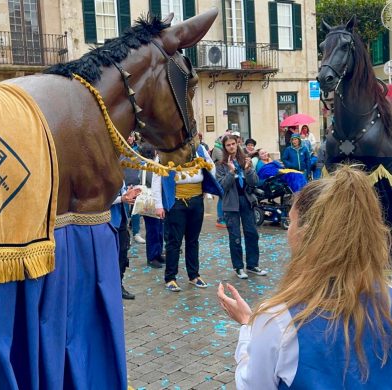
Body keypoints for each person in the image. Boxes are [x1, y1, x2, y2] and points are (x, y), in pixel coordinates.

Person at [217, 166, 392, 389]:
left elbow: (252, 383)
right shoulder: (387, 299)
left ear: (305, 234)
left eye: (291, 222)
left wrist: (248, 327)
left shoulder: (279, 321)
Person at [152, 144, 215, 292]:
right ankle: (170, 277)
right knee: (174, 241)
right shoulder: (165, 151)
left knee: (193, 240)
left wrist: (206, 188)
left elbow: (211, 166)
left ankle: (194, 275)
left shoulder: (199, 149)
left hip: (197, 200)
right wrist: (159, 205)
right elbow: (157, 178)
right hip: (176, 201)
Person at [216, 135, 267, 279]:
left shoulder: (244, 160)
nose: (231, 147)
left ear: (237, 144)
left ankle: (252, 265)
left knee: (251, 233)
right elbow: (222, 187)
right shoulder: (221, 165)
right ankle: (238, 267)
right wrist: (231, 172)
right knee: (235, 237)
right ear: (224, 147)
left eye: (233, 144)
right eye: (228, 145)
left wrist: (248, 169)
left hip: (246, 200)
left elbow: (254, 182)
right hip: (231, 204)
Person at [110, 183, 141, 299]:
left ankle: (118, 286)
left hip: (121, 219)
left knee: (122, 254)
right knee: (108, 257)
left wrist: (128, 194)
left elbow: (121, 191)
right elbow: (100, 198)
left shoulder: (118, 169)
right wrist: (121, 199)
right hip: (106, 221)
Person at [124, 134, 146, 244]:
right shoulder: (119, 149)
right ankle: (125, 234)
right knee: (124, 211)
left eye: (131, 136)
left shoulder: (139, 150)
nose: (129, 138)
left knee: (136, 210)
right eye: (127, 136)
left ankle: (136, 233)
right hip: (124, 185)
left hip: (136, 184)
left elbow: (144, 164)